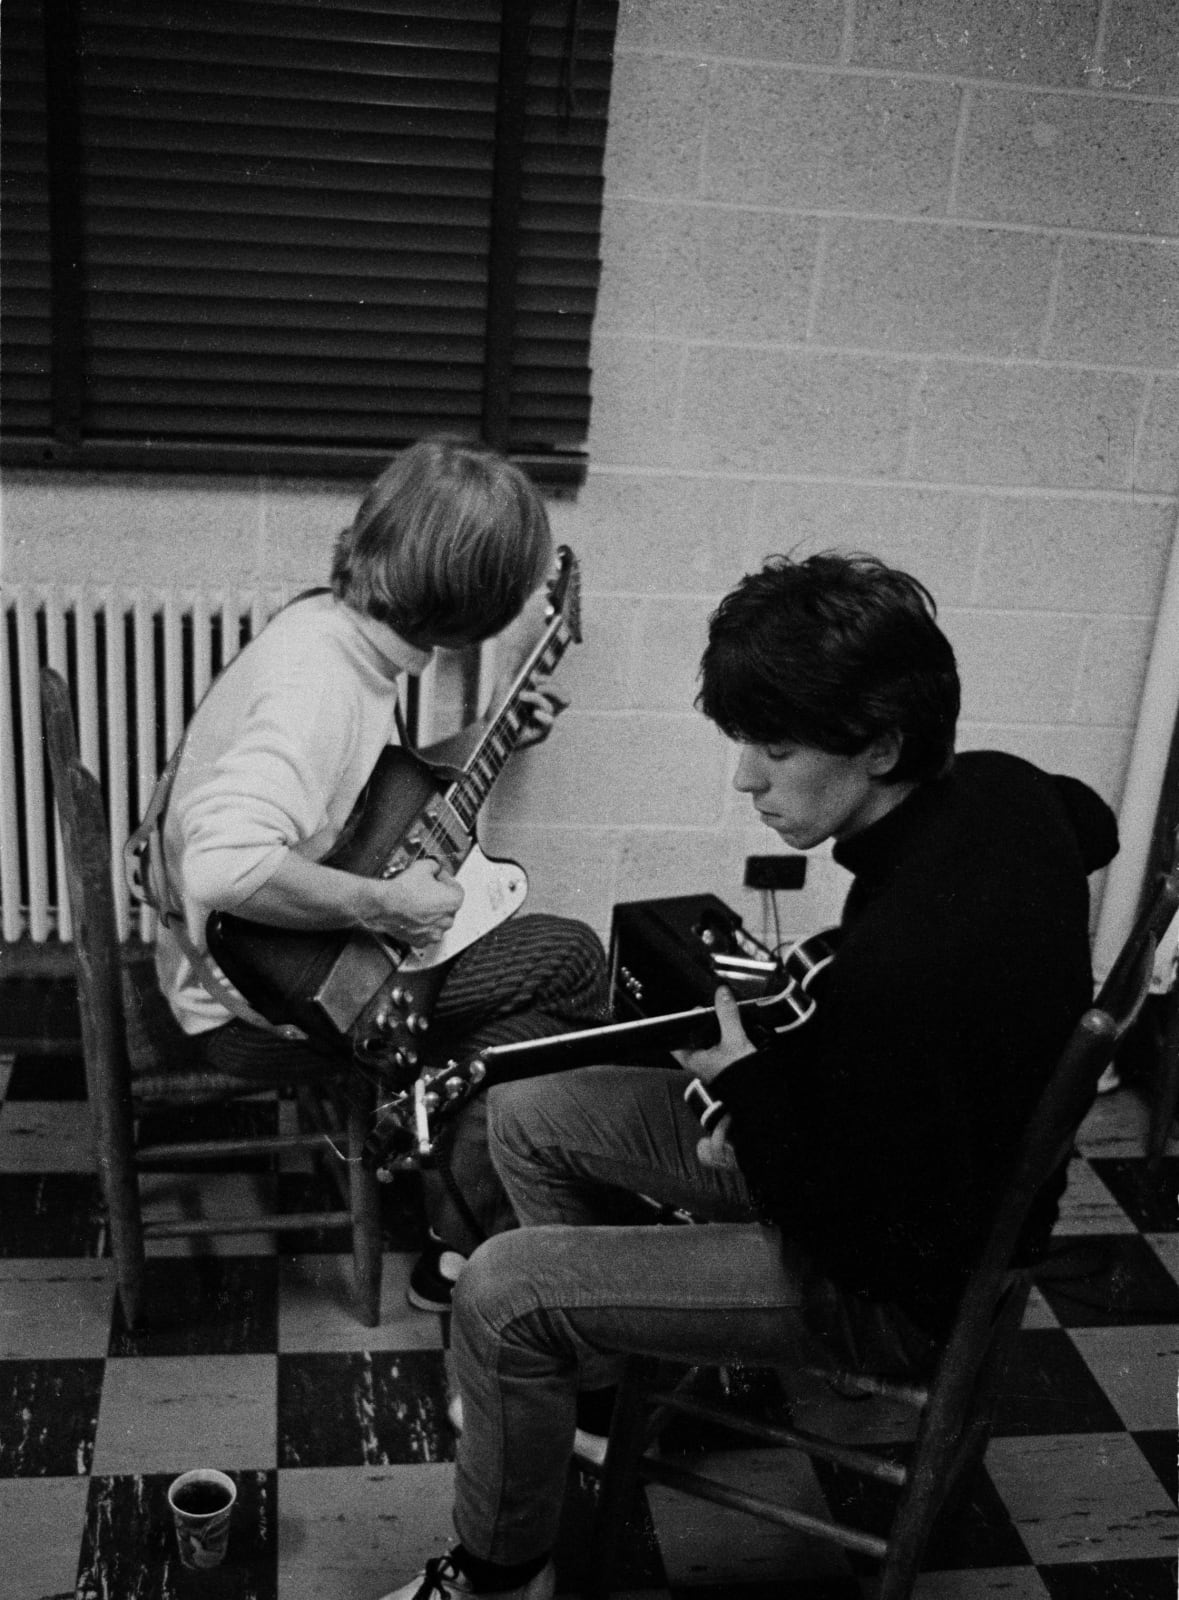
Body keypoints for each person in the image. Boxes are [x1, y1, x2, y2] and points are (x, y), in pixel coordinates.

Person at [376, 550, 1119, 1600]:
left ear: (884, 746)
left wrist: (755, 1098)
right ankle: (585, 1392)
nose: (745, 780)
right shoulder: (998, 786)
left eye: (775, 749)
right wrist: (784, 1084)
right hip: (888, 1159)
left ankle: (499, 1576)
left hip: (893, 1279)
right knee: (528, 1112)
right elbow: (1096, 819)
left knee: (500, 1293)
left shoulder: (906, 962)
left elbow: (858, 1231)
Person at [146, 437, 608, 1308]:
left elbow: (357, 799)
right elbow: (223, 865)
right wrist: (389, 906)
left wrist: (482, 740)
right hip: (253, 1003)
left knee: (521, 1002)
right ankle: (470, 1236)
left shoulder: (335, 629)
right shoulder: (320, 681)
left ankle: (458, 1210)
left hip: (246, 961)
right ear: (474, 602)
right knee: (573, 962)